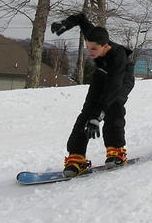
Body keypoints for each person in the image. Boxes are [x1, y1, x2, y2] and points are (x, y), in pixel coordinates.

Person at [51, 13, 135, 177]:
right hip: (102, 74)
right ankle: (76, 157)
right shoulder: (94, 36)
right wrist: (65, 24)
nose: (90, 52)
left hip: (121, 78)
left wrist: (98, 115)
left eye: (94, 49)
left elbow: (113, 88)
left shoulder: (118, 57)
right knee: (87, 112)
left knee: (113, 106)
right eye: (88, 48)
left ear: (106, 46)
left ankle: (116, 151)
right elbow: (82, 18)